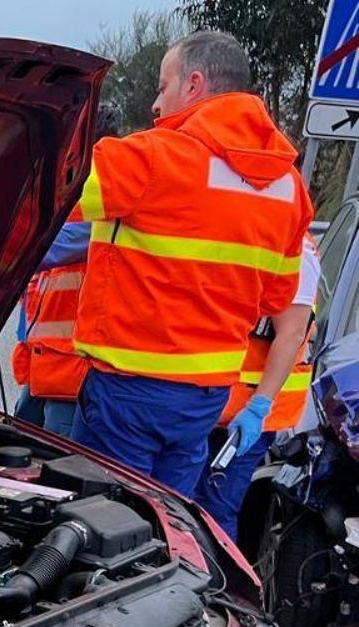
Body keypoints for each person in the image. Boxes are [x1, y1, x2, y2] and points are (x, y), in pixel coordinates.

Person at [53, 31, 312, 493]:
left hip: (128, 393)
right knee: (166, 526)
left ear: (193, 84)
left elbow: (38, 194)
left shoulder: (153, 158)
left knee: (102, 528)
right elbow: (276, 297)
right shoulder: (289, 188)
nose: (155, 104)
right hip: (204, 400)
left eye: (161, 85)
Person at [194, 233, 320, 539]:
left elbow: (290, 335)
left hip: (244, 415)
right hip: (206, 404)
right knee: (184, 506)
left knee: (212, 512)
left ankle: (214, 584)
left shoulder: (294, 248)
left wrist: (259, 406)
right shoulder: (247, 231)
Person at [12, 105, 122, 437]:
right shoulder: (67, 201)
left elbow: (39, 252)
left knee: (56, 467)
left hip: (72, 373)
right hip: (45, 366)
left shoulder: (103, 207)